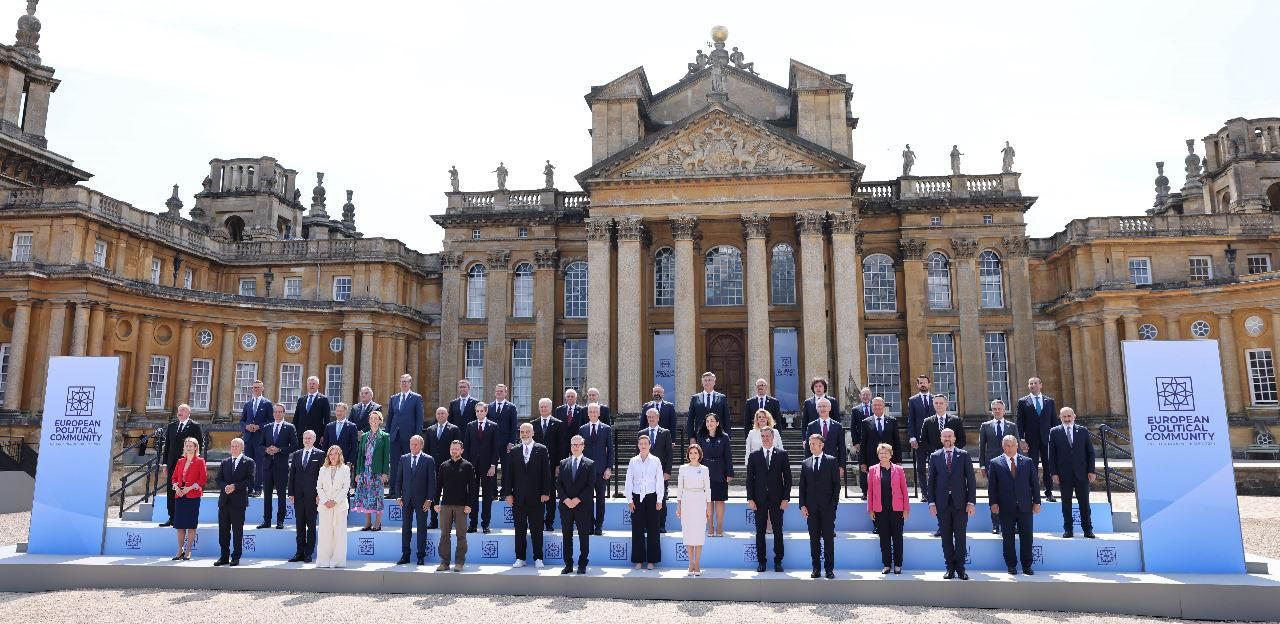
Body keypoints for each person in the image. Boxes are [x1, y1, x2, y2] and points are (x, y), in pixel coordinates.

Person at [988, 434, 1041, 575]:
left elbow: (1034, 484)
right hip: (1006, 507)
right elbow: (992, 486)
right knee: (1008, 537)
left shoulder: (1028, 461)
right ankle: (1011, 565)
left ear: (1017, 446)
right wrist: (993, 503)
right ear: (1003, 446)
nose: (1010, 448)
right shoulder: (995, 463)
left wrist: (1037, 502)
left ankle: (1027, 565)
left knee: (1027, 537)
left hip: (1025, 506)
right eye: (1007, 445)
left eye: (1012, 445)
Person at [927, 428, 976, 580]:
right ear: (941, 439)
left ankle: (960, 569)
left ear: (954, 439)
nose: (947, 438)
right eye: (944, 436)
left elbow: (971, 481)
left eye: (950, 436)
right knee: (946, 538)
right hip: (942, 504)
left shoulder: (964, 455)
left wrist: (971, 502)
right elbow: (931, 482)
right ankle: (950, 568)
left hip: (961, 503)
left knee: (960, 537)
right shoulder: (935, 456)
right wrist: (931, 503)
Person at [503, 422, 552, 568]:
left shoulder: (542, 450)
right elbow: (509, 474)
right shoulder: (515, 450)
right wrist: (508, 494)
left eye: (527, 432)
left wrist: (545, 492)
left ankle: (538, 558)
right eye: (522, 432)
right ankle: (520, 558)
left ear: (533, 433)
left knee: (537, 529)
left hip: (537, 497)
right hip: (518, 497)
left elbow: (546, 473)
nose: (524, 434)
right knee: (520, 529)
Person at [745, 428, 791, 573]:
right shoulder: (754, 455)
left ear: (773, 437)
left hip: (777, 499)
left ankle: (778, 561)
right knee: (760, 532)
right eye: (763, 436)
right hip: (759, 500)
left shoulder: (782, 454)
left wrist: (786, 498)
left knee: (778, 531)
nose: (765, 438)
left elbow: (788, 479)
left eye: (768, 436)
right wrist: (750, 498)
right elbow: (749, 480)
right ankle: (761, 562)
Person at [1046, 406, 1096, 539]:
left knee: (1084, 503)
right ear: (1060, 418)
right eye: (1064, 417)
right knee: (1066, 503)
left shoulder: (1083, 431)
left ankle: (1088, 529)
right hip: (1064, 474)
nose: (1067, 419)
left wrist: (1091, 470)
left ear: (1074, 416)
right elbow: (1052, 455)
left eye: (1069, 416)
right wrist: (1054, 473)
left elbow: (1090, 452)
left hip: (1082, 473)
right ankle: (1068, 529)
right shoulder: (1054, 432)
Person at [920, 394, 966, 535]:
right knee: (939, 493)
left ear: (946, 405)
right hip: (937, 462)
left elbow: (962, 440)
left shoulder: (955, 420)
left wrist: (950, 450)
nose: (938, 405)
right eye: (936, 403)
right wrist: (938, 452)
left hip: (954, 461)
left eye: (941, 403)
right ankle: (942, 526)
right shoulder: (928, 421)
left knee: (955, 493)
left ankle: (957, 527)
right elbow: (923, 441)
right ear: (933, 405)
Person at [799, 433, 839, 578]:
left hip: (828, 508)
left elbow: (836, 486)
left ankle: (829, 569)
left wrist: (833, 505)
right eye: (810, 443)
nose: (811, 446)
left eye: (814, 443)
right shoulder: (805, 463)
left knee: (828, 539)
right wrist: (802, 505)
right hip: (811, 509)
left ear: (822, 445)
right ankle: (816, 568)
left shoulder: (831, 461)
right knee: (814, 539)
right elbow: (802, 486)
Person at [624, 434, 665, 570]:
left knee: (654, 528)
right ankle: (639, 560)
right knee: (637, 529)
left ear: (649, 445)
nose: (643, 446)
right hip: (636, 497)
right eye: (640, 443)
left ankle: (652, 560)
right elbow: (628, 481)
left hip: (652, 496)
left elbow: (659, 480)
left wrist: (659, 499)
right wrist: (629, 500)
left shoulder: (656, 460)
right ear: (638, 445)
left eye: (645, 443)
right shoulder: (633, 461)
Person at [867, 442, 909, 574]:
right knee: (884, 538)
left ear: (891, 454)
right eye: (881, 453)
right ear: (878, 455)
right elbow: (870, 491)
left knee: (897, 538)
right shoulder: (873, 469)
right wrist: (871, 509)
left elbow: (905, 490)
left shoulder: (899, 470)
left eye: (885, 453)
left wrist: (906, 509)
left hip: (897, 510)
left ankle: (897, 564)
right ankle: (886, 565)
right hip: (880, 510)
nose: (883, 455)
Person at [434, 440, 475, 571]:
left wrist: (469, 504)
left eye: (457, 449)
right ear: (449, 450)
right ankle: (444, 562)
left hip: (462, 506)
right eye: (452, 449)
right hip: (445, 505)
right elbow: (438, 486)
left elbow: (473, 488)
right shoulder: (443, 465)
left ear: (462, 450)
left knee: (461, 535)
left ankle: (459, 562)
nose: (454, 451)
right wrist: (435, 503)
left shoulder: (468, 466)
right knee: (444, 534)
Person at [978, 399, 1019, 534]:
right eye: (994, 409)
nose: (997, 411)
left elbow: (1017, 445)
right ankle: (996, 524)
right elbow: (981, 447)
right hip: (992, 465)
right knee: (994, 494)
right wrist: (983, 465)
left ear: (1004, 410)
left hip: (1010, 464)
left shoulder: (1012, 426)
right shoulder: (985, 426)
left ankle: (1013, 524)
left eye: (999, 409)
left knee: (1012, 494)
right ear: (991, 410)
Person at [160, 404, 203, 528]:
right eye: (179, 410)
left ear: (189, 413)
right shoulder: (172, 426)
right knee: (171, 490)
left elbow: (199, 444)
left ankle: (182, 518)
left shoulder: (194, 426)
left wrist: (195, 462)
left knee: (185, 491)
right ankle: (172, 517)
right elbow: (167, 446)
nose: (179, 412)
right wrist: (165, 464)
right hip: (173, 464)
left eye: (183, 410)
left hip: (188, 464)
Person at [1016, 377, 1059, 502]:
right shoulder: (1023, 401)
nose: (1033, 385)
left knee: (1048, 466)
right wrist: (1022, 439)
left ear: (1041, 385)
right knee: (1032, 466)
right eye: (1030, 384)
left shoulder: (1049, 401)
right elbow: (1020, 422)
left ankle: (1049, 492)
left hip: (1047, 440)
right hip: (1031, 440)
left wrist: (1056, 439)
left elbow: (1054, 421)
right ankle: (1032, 492)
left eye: (1035, 383)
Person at [395, 435, 436, 565]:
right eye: (411, 444)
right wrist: (398, 496)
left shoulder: (429, 460)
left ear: (421, 445)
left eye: (416, 444)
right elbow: (399, 480)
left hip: (422, 500)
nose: (413, 447)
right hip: (406, 499)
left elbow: (432, 482)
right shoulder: (404, 458)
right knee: (405, 528)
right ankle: (405, 555)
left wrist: (429, 499)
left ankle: (420, 556)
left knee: (422, 528)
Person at [557, 434, 595, 574]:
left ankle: (582, 564)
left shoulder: (590, 464)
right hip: (566, 506)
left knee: (583, 536)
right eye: (573, 445)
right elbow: (559, 485)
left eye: (578, 445)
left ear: (583, 446)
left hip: (583, 506)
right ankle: (568, 564)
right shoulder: (563, 463)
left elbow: (590, 486)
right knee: (567, 536)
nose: (575, 447)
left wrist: (577, 499)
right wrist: (566, 499)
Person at [214, 438, 255, 566]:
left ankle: (236, 556)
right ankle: (224, 556)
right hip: (224, 502)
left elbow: (250, 480)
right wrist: (225, 486)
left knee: (237, 531)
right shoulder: (225, 462)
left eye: (236, 446)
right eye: (232, 446)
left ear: (242, 447)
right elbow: (218, 479)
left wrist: (235, 486)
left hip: (238, 503)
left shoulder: (248, 462)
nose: (234, 448)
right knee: (223, 532)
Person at [286, 429, 324, 562]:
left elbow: (322, 477)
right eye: (305, 438)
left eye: (309, 438)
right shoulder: (297, 454)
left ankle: (308, 553)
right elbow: (292, 476)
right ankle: (299, 552)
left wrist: (320, 494)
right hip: (298, 495)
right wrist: (290, 493)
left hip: (312, 496)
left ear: (314, 439)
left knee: (311, 525)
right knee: (299, 525)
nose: (306, 440)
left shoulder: (320, 455)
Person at [463, 400, 500, 533]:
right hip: (472, 466)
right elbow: (466, 447)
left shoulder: (493, 426)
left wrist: (493, 465)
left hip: (487, 467)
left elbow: (496, 448)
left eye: (482, 411)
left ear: (486, 412)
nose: (479, 413)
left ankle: (485, 524)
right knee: (472, 495)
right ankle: (473, 524)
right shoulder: (470, 426)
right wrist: (467, 465)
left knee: (487, 496)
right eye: (477, 411)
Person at [257, 404, 297, 529]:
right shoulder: (267, 427)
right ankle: (267, 521)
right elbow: (259, 446)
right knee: (267, 494)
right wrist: (266, 450)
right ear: (273, 413)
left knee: (281, 495)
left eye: (280, 412)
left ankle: (280, 521)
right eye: (275, 412)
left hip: (281, 466)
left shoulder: (290, 427)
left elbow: (294, 446)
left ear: (284, 413)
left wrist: (279, 450)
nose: (277, 414)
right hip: (268, 465)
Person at [388, 374, 425, 498]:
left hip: (409, 438)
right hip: (394, 436)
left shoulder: (416, 398)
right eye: (402, 381)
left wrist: (417, 438)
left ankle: (407, 492)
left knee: (408, 465)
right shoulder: (394, 398)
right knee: (394, 464)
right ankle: (393, 492)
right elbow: (390, 418)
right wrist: (388, 434)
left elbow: (419, 419)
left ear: (410, 384)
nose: (404, 384)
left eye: (406, 382)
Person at [676, 444, 711, 575]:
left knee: (699, 533)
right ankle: (691, 562)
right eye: (691, 453)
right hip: (686, 501)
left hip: (700, 501)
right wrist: (679, 505)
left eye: (695, 453)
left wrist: (708, 507)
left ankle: (698, 563)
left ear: (700, 454)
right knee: (688, 532)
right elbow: (679, 489)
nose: (693, 455)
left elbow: (708, 489)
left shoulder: (705, 469)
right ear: (688, 455)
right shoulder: (683, 469)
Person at [425, 406, 462, 529]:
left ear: (447, 415)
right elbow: (427, 450)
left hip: (449, 467)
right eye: (438, 413)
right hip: (434, 467)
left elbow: (457, 449)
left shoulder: (454, 429)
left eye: (443, 413)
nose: (440, 415)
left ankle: (450, 521)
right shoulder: (430, 430)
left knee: (449, 494)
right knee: (434, 493)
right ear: (436, 415)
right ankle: (433, 521)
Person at [533, 397, 567, 531]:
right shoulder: (533, 424)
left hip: (552, 466)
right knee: (537, 494)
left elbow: (562, 446)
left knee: (551, 494)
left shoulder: (558, 424)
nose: (543, 409)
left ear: (550, 408)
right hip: (536, 467)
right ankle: (538, 521)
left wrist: (559, 465)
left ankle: (549, 522)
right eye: (541, 407)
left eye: (545, 406)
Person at [697, 413, 734, 536]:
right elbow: (698, 457)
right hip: (705, 472)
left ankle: (719, 528)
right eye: (707, 421)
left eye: (712, 421)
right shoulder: (701, 436)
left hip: (720, 472)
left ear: (717, 423)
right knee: (708, 501)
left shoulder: (724, 437)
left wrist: (729, 472)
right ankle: (710, 528)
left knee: (719, 501)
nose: (709, 423)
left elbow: (728, 456)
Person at [354, 411, 391, 531]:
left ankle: (378, 522)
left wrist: (385, 472)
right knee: (366, 497)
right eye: (371, 419)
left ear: (380, 421)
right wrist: (358, 472)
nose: (373, 421)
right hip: (365, 471)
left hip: (377, 472)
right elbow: (360, 456)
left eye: (376, 419)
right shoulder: (364, 436)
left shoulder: (385, 436)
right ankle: (367, 522)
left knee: (377, 498)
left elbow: (386, 456)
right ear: (369, 421)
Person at [169, 436, 204, 560]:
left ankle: (188, 550)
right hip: (180, 495)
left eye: (191, 446)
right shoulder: (180, 461)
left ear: (195, 448)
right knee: (180, 525)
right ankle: (180, 549)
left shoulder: (200, 461)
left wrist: (189, 488)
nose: (188, 448)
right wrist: (177, 488)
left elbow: (202, 479)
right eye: (187, 445)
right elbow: (173, 478)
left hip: (192, 495)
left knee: (191, 524)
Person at [579, 403, 613, 534]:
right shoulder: (582, 429)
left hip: (601, 470)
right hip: (586, 471)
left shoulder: (606, 429)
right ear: (588, 414)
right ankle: (589, 525)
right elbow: (580, 450)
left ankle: (599, 525)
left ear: (599, 414)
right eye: (590, 411)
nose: (593, 413)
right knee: (587, 500)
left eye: (595, 412)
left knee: (600, 500)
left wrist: (609, 468)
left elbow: (610, 450)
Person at [315, 445, 351, 568]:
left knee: (339, 534)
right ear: (328, 456)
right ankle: (323, 561)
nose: (333, 456)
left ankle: (338, 561)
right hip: (325, 506)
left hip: (340, 506)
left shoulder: (345, 469)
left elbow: (346, 488)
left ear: (340, 455)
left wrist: (335, 501)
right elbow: (319, 487)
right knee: (325, 533)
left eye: (335, 454)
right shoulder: (322, 469)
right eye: (331, 454)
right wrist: (326, 501)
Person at [859, 398, 900, 501]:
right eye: (875, 405)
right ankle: (868, 495)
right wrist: (862, 462)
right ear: (872, 407)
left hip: (888, 458)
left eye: (879, 405)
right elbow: (863, 443)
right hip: (871, 458)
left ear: (883, 406)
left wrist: (898, 460)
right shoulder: (865, 422)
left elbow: (897, 442)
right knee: (872, 483)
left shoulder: (892, 421)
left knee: (887, 482)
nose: (877, 407)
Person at [640, 407, 674, 533]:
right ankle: (645, 524)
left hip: (661, 473)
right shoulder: (641, 433)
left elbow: (669, 454)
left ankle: (661, 524)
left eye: (653, 417)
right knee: (644, 498)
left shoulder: (665, 433)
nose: (651, 419)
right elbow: (637, 453)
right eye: (649, 417)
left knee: (661, 498)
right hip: (644, 473)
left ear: (658, 418)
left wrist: (667, 471)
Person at [239, 380, 272, 496]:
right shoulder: (248, 404)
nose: (256, 389)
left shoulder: (267, 403)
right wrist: (246, 427)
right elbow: (242, 421)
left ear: (262, 389)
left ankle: (258, 488)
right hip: (248, 439)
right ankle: (249, 488)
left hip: (260, 439)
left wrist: (259, 426)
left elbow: (271, 421)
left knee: (259, 464)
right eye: (254, 388)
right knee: (248, 464)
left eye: (258, 387)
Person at [804, 398, 846, 480]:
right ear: (816, 409)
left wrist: (841, 466)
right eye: (819, 406)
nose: (822, 409)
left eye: (824, 406)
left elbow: (842, 447)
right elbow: (808, 448)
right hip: (815, 463)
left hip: (833, 463)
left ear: (829, 408)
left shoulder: (837, 426)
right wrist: (807, 465)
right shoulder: (811, 426)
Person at [907, 375, 934, 493]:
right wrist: (912, 437)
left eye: (924, 382)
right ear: (917, 385)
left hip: (934, 440)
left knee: (935, 467)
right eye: (920, 383)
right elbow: (911, 420)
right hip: (919, 441)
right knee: (921, 468)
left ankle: (934, 491)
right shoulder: (913, 400)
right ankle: (924, 493)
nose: (923, 385)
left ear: (929, 384)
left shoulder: (936, 399)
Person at [687, 371, 729, 442]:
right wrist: (691, 437)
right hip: (700, 436)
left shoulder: (722, 398)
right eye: (705, 380)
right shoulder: (695, 398)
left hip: (718, 436)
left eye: (709, 380)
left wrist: (727, 437)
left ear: (714, 382)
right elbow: (690, 419)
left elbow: (726, 419)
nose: (707, 382)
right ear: (702, 383)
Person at [323, 402, 359, 481]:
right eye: (337, 411)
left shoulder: (352, 426)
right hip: (331, 461)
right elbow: (325, 445)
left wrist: (350, 462)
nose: (339, 413)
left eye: (341, 411)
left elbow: (354, 446)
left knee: (344, 484)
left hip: (345, 461)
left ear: (346, 412)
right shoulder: (329, 426)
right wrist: (326, 460)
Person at [849, 387, 874, 496]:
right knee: (863, 467)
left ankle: (875, 491)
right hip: (861, 443)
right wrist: (856, 443)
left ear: (871, 396)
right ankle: (865, 491)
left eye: (867, 394)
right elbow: (853, 428)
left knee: (875, 467)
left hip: (875, 443)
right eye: (863, 394)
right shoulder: (855, 410)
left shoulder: (876, 408)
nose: (865, 396)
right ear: (860, 396)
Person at [294, 375, 331, 444]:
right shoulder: (301, 400)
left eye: (313, 384)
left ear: (318, 385)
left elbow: (327, 419)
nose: (311, 385)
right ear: (307, 385)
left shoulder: (323, 399)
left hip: (316, 436)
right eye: (309, 384)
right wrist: (293, 433)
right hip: (301, 436)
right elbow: (296, 418)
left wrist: (324, 435)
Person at [489, 384, 520, 453]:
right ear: (495, 392)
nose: (499, 392)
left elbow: (514, 426)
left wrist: (512, 442)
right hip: (492, 442)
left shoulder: (512, 407)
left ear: (505, 393)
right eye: (497, 391)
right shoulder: (489, 407)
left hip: (506, 443)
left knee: (506, 464)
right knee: (492, 464)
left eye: (501, 391)